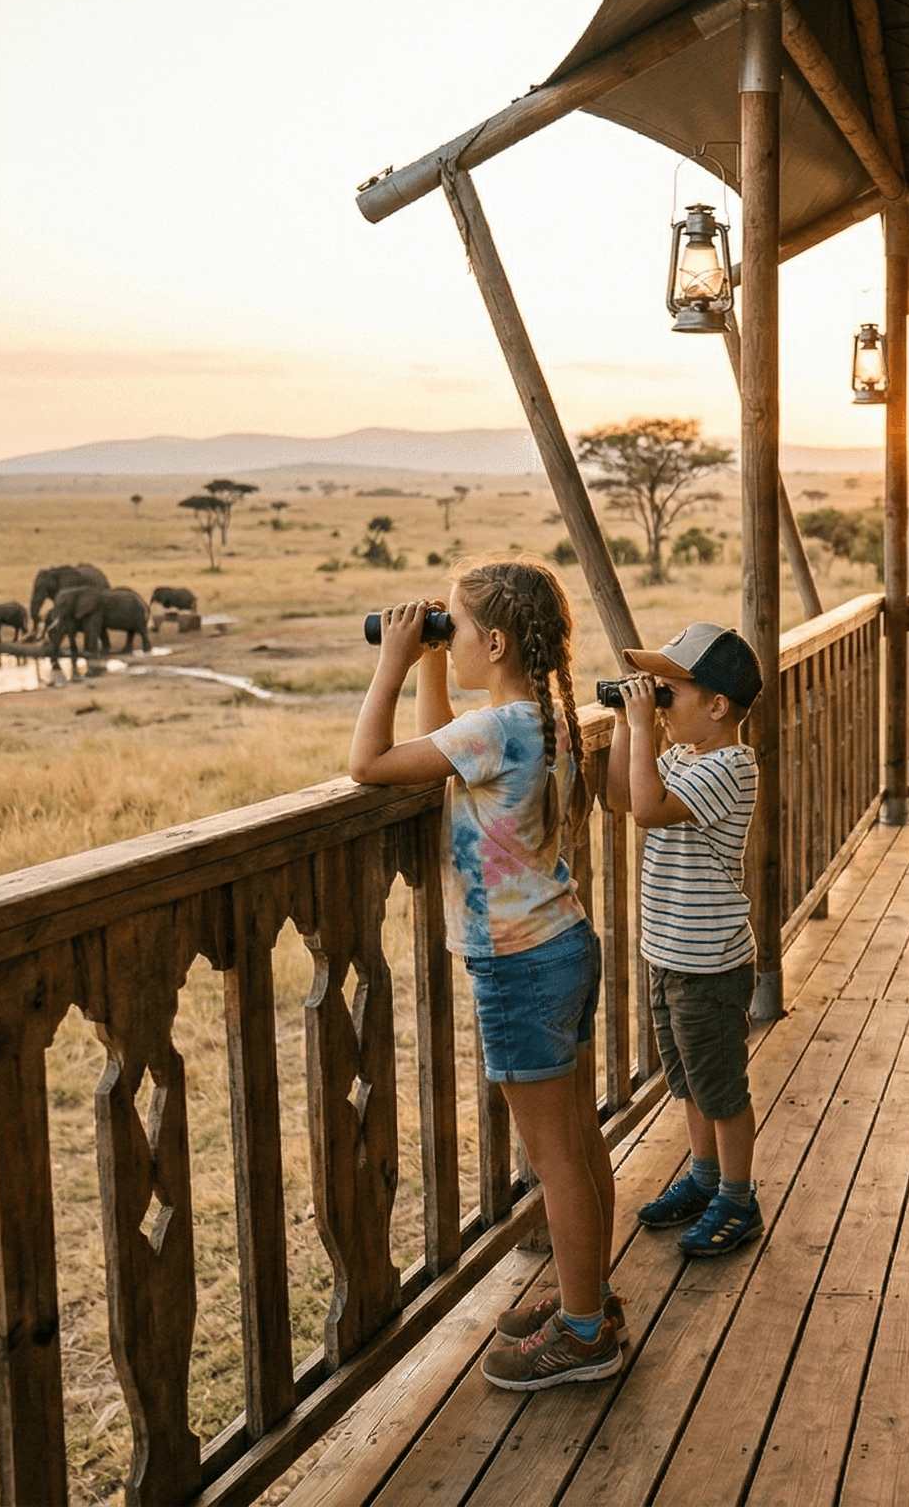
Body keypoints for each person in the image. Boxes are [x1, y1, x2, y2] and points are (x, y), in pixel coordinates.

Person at [350, 559, 623, 1393]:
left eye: (456, 630)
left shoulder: (497, 730)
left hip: (517, 965)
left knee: (557, 1159)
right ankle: (593, 1301)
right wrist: (433, 659)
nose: (448, 640)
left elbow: (370, 761)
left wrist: (392, 661)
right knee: (578, 1143)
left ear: (495, 640)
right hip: (565, 942)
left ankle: (583, 1336)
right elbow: (443, 747)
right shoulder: (538, 719)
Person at [605, 621, 769, 1259]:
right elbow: (622, 794)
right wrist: (626, 723)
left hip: (709, 963)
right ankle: (704, 1180)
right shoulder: (681, 756)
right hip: (669, 955)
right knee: (689, 1082)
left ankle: (737, 1196)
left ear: (717, 706)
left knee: (721, 1089)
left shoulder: (729, 766)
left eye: (670, 691)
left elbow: (649, 810)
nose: (660, 701)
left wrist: (645, 728)